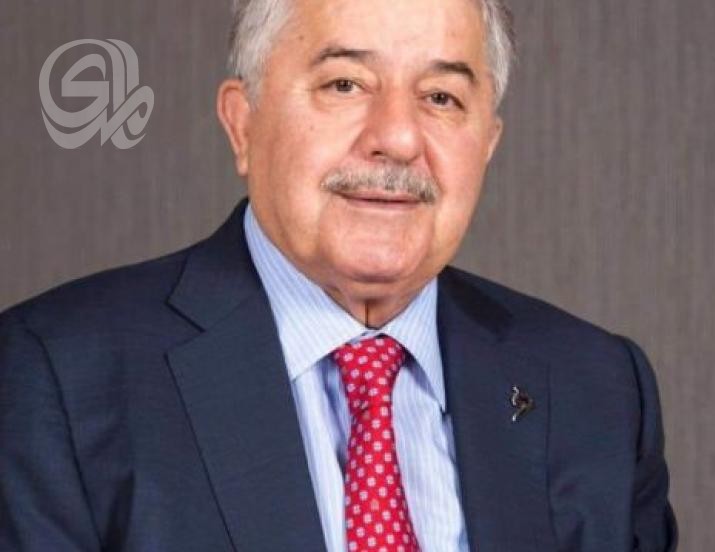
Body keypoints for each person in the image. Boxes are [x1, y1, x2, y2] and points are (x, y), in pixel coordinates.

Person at [0, 0, 677, 550]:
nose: (398, 138)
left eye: (441, 97)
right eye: (345, 85)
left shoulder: (598, 391)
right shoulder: (55, 378)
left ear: (487, 144)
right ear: (243, 123)